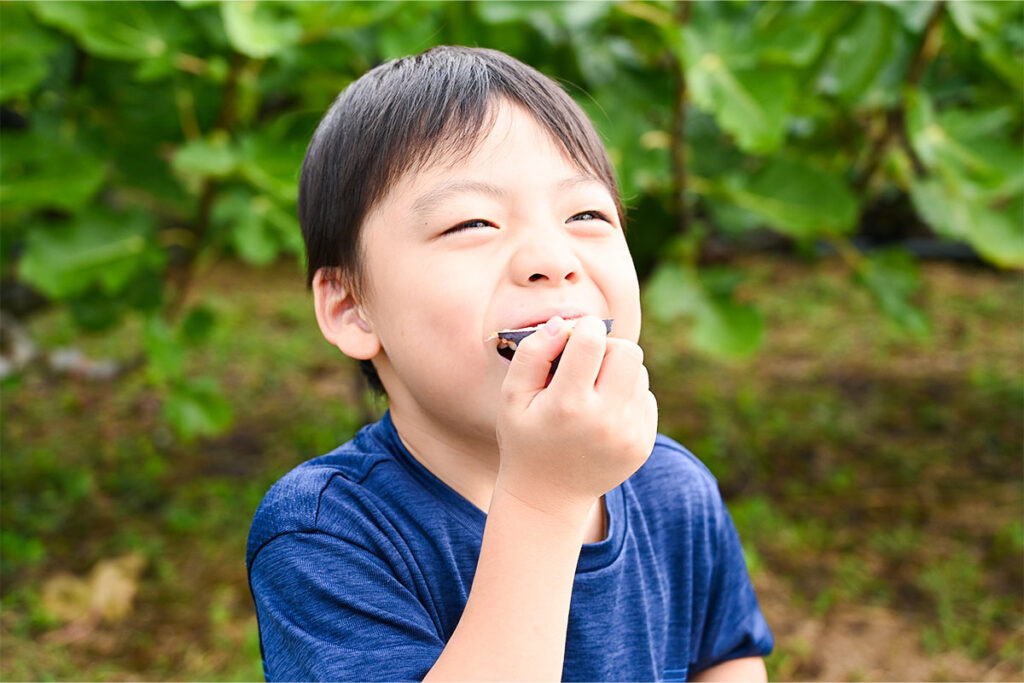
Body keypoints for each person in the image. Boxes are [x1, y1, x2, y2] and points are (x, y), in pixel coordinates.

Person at [247, 45, 773, 681]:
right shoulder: (327, 534)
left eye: (586, 214)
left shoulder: (673, 489)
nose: (552, 257)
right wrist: (544, 498)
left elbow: (728, 663)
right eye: (472, 222)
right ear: (353, 307)